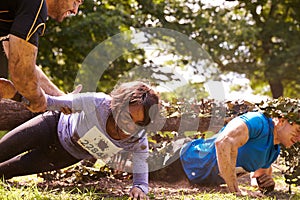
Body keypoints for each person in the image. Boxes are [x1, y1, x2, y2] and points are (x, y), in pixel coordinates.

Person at [0, 81, 160, 199]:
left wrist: (139, 189)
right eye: (127, 117)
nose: (129, 126)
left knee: (5, 172)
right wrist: (17, 94)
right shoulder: (97, 103)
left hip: (65, 155)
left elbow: (141, 175)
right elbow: (50, 102)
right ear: (117, 105)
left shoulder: (137, 140)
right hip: (51, 125)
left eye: (138, 123)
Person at [150, 110, 300, 195]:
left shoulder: (274, 151)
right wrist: (236, 191)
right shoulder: (257, 121)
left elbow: (258, 177)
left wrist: (266, 183)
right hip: (180, 158)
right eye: (298, 130)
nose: (299, 138)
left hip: (197, 177)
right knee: (135, 165)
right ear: (282, 120)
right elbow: (222, 143)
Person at [0, 0, 84, 112]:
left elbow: (20, 60)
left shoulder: (18, 7)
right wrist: (38, 100)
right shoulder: (36, 4)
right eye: (75, 2)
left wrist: (61, 98)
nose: (75, 11)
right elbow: (21, 72)